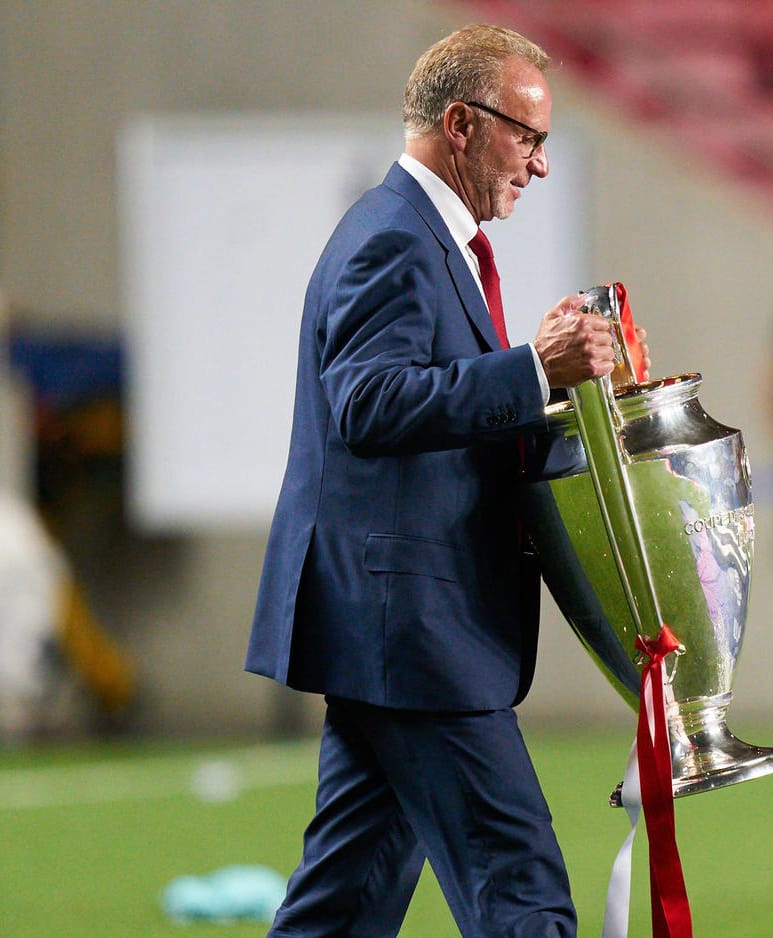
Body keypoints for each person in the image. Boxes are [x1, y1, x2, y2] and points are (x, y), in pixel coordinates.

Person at [246, 25, 639, 937]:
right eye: (527, 137)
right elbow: (371, 405)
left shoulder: (413, 234)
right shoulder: (392, 236)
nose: (538, 166)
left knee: (343, 905)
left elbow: (429, 415)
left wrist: (548, 391)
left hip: (395, 630)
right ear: (461, 123)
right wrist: (530, 370)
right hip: (413, 633)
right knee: (523, 891)